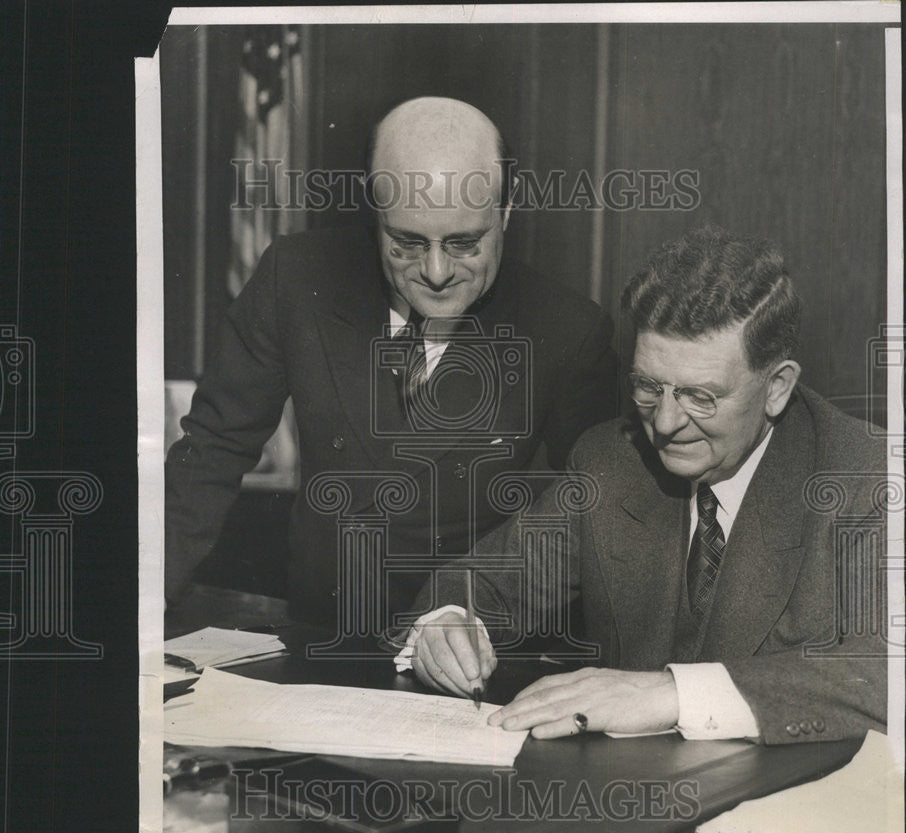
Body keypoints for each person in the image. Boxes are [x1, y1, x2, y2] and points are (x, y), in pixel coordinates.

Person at [407, 227, 888, 745]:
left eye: (699, 396)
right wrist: (447, 626)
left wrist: (668, 694)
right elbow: (485, 583)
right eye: (647, 386)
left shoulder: (867, 480)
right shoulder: (611, 461)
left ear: (777, 388)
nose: (663, 422)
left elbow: (885, 675)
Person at [165, 96, 618, 627]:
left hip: (472, 642)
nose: (436, 271)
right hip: (320, 637)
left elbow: (595, 507)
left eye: (464, 242)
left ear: (507, 211)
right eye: (406, 241)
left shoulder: (565, 329)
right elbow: (211, 450)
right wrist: (141, 595)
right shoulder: (297, 278)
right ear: (375, 214)